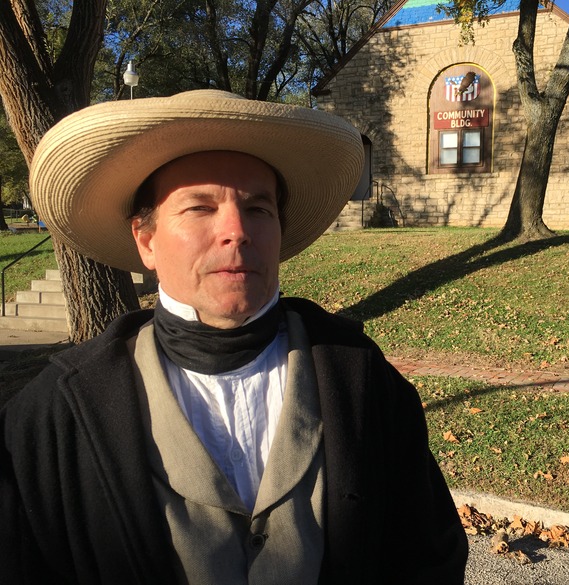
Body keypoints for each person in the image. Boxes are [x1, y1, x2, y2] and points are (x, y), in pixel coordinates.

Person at [0, 90, 467, 584]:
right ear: (146, 240)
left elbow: (427, 556)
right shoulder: (52, 418)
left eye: (258, 209)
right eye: (200, 207)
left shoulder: (365, 382)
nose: (237, 230)